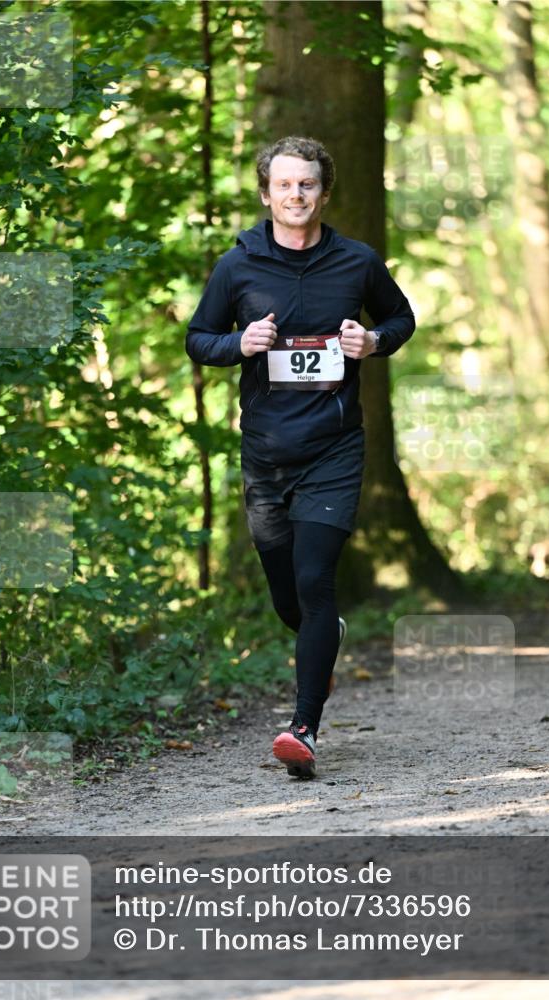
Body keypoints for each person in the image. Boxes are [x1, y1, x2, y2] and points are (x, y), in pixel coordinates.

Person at [186, 135, 415, 778]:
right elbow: (197, 339)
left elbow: (401, 319)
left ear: (323, 191)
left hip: (335, 447)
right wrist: (240, 342)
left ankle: (303, 728)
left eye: (307, 184)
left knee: (316, 581)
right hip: (265, 454)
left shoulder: (357, 262)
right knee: (290, 598)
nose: (296, 195)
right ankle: (327, 637)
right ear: (266, 194)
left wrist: (373, 341)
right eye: (284, 185)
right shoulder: (239, 267)